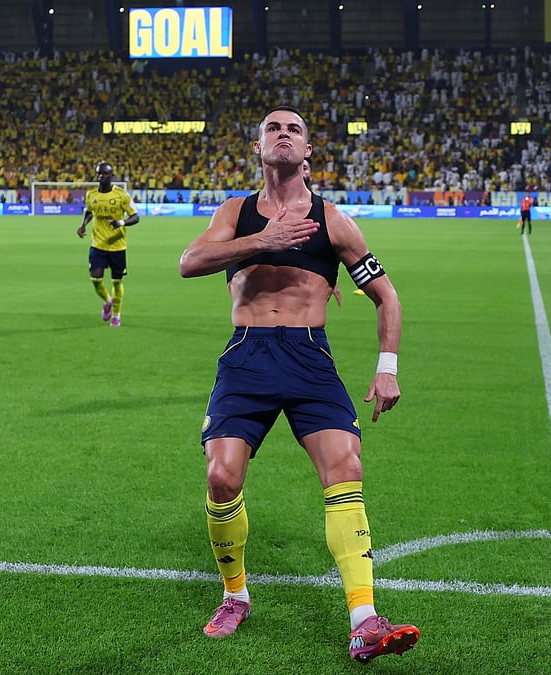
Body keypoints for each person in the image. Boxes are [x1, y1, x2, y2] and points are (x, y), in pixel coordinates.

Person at [178, 106, 419, 663]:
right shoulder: (235, 212)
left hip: (309, 356)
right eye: (273, 128)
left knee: (346, 467)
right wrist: (264, 239)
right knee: (221, 476)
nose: (283, 135)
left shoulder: (333, 220)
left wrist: (387, 366)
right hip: (247, 354)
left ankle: (364, 621)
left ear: (308, 150)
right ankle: (235, 596)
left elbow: (387, 295)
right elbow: (190, 262)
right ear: (259, 146)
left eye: (294, 129)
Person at [76, 162, 140, 327]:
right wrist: (83, 225)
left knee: (116, 282)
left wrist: (121, 222)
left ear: (111, 176)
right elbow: (89, 211)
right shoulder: (91, 194)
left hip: (117, 246)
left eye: (105, 173)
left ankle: (116, 315)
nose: (101, 176)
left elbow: (135, 217)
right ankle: (107, 300)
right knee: (95, 279)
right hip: (98, 244)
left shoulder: (121, 195)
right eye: (99, 173)